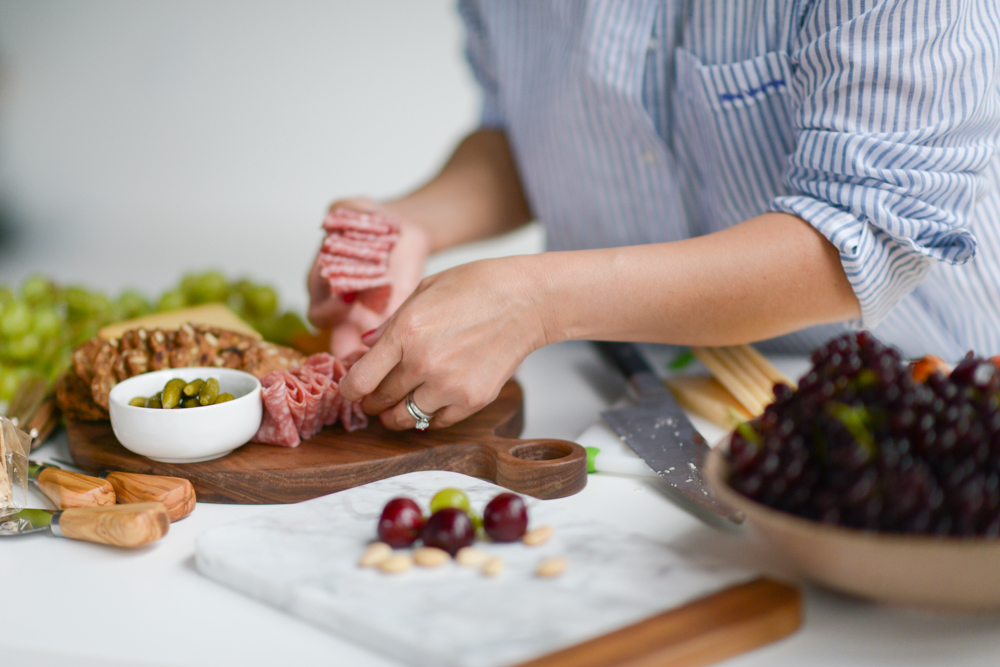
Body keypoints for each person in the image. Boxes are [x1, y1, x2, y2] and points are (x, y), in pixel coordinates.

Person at [308, 1, 1000, 432]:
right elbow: (534, 131)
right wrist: (416, 220)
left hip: (922, 402)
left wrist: (534, 303)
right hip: (630, 385)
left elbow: (857, 231)